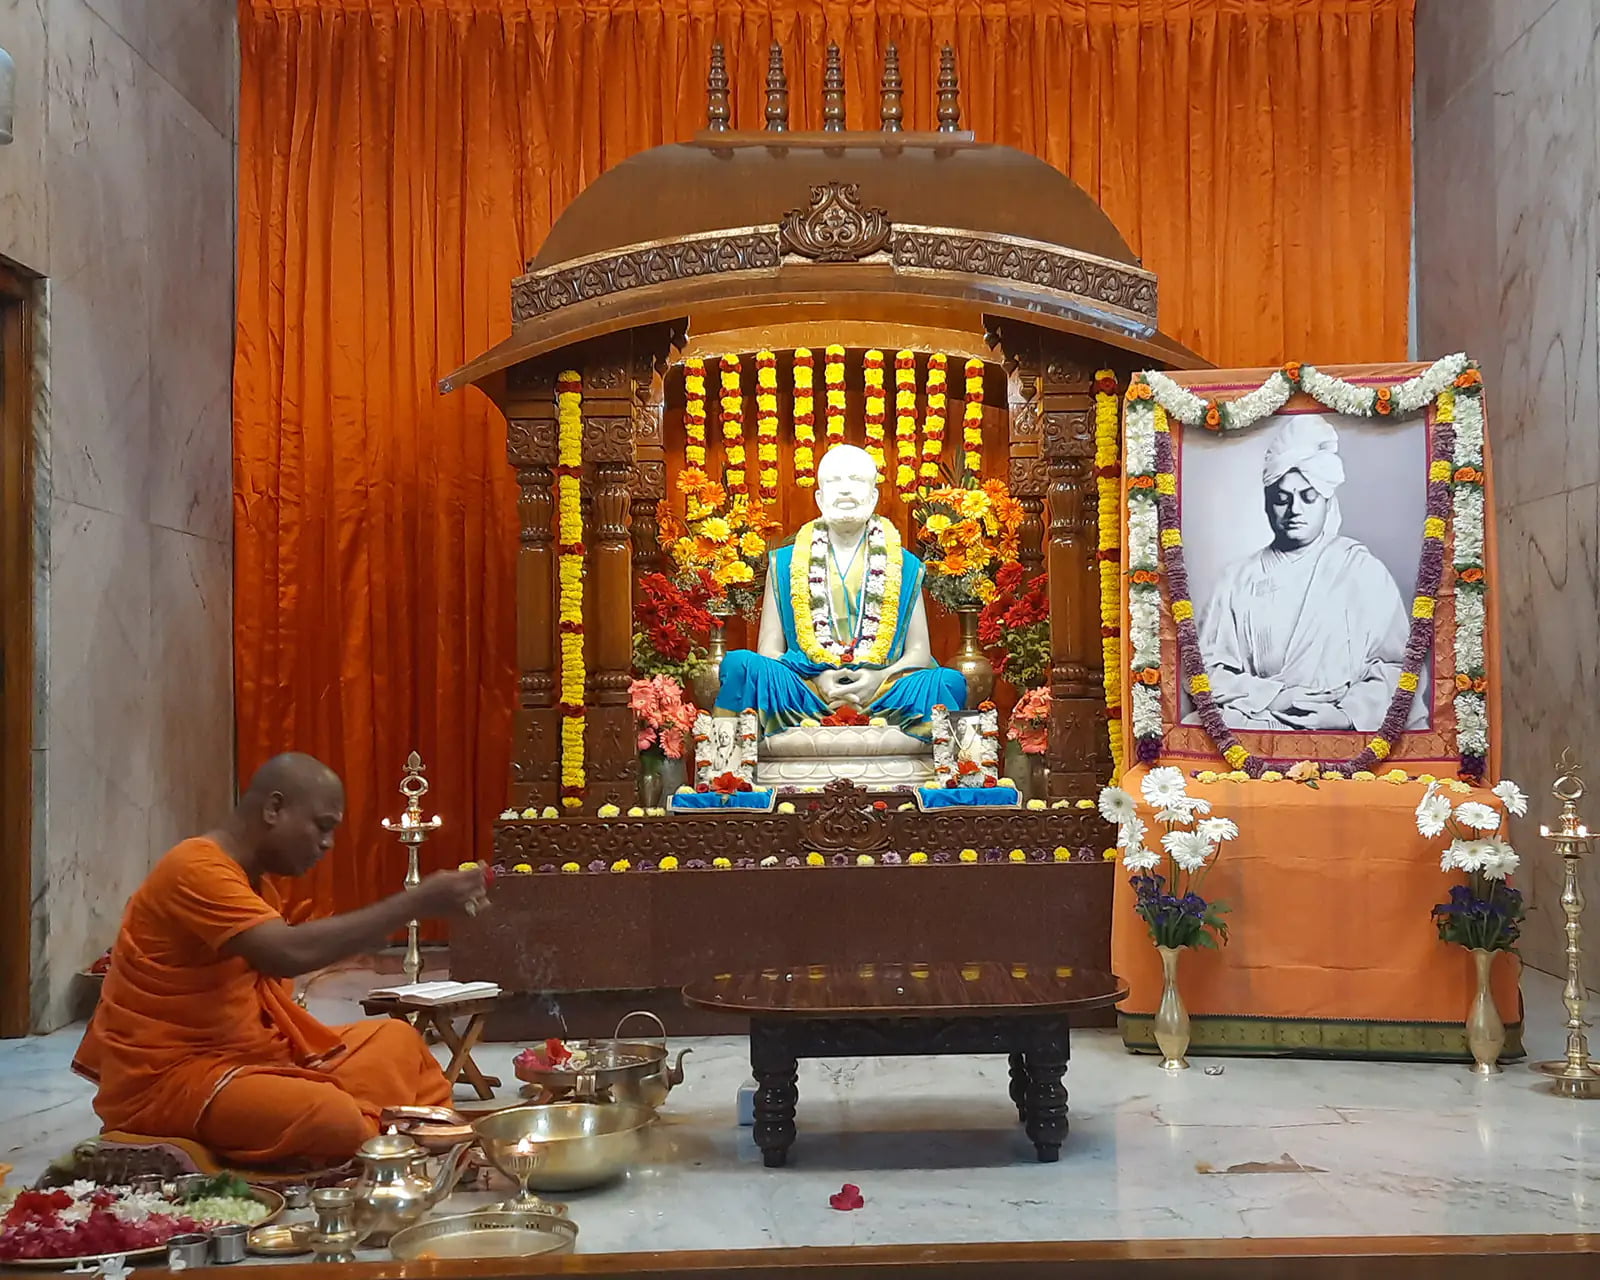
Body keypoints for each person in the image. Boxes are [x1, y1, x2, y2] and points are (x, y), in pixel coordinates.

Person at [71, 753, 488, 1167]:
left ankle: (385, 1130)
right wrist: (415, 902)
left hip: (251, 1060)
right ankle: (383, 1136)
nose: (327, 844)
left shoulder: (255, 886)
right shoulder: (195, 867)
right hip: (174, 1079)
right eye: (322, 826)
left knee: (398, 1042)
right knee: (330, 1116)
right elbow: (287, 954)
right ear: (274, 808)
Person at [715, 444, 965, 738]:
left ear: (873, 496)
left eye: (856, 480)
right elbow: (769, 650)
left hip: (883, 691)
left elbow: (919, 651)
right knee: (739, 666)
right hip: (805, 688)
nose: (845, 489)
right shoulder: (784, 562)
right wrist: (819, 678)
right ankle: (726, 757)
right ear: (820, 497)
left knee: (949, 683)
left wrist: (878, 678)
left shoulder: (904, 563)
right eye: (834, 481)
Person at [1193, 417, 1418, 734]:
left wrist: (1345, 716)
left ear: (1327, 502)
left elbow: (1396, 666)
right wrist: (1273, 697)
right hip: (1259, 719)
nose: (1294, 510)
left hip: (1342, 725)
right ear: (1267, 504)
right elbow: (1205, 671)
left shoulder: (1360, 570)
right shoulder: (1237, 580)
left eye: (1308, 497)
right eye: (1282, 499)